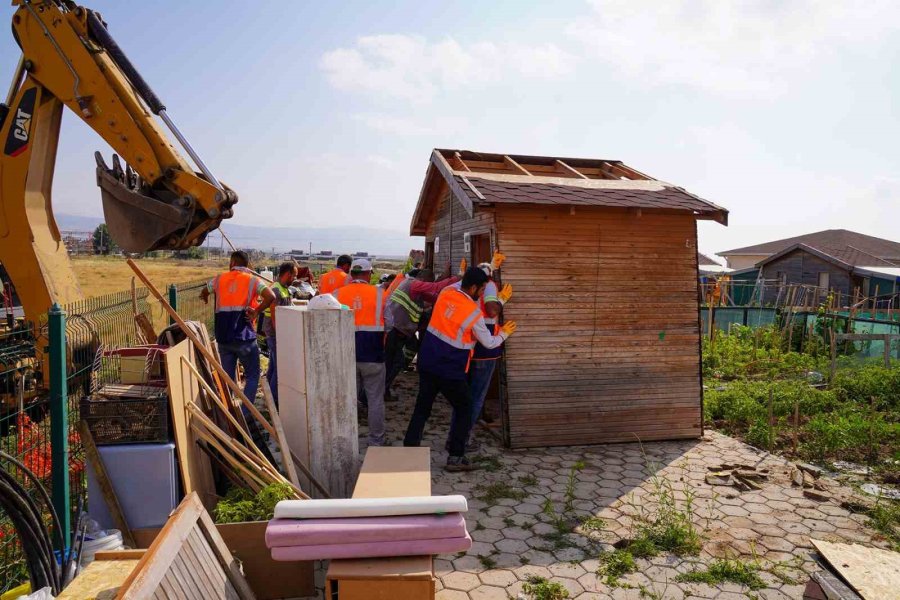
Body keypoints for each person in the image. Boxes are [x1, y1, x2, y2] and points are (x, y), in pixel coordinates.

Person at [403, 267, 516, 472]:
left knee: (422, 407)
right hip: (451, 369)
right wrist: (504, 334)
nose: (482, 294)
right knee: (465, 408)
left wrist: (486, 267)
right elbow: (489, 343)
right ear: (473, 287)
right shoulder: (473, 313)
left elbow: (460, 282)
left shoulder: (447, 293)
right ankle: (456, 457)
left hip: (428, 362)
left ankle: (409, 449)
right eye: (481, 290)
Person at [447, 262, 513, 452]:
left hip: (469, 349)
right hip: (486, 349)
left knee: (464, 400)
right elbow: (492, 310)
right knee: (475, 399)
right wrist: (501, 300)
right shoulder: (490, 284)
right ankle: (461, 441)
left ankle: (454, 438)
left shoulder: (466, 287)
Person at [200, 251, 275, 405]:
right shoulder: (253, 281)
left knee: (227, 379)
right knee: (253, 376)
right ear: (246, 265)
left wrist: (206, 297)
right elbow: (271, 296)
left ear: (233, 263)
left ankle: (230, 413)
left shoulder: (219, 279)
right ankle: (246, 413)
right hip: (245, 337)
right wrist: (256, 312)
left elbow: (205, 290)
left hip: (223, 338)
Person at [383, 265, 459, 394]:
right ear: (422, 279)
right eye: (427, 283)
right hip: (395, 330)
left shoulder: (414, 288)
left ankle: (380, 390)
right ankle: (378, 391)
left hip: (399, 330)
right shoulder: (413, 284)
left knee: (394, 361)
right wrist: (459, 277)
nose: (427, 286)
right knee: (394, 362)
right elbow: (435, 287)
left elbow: (435, 296)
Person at [335, 259, 387, 447]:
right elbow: (390, 323)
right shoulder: (381, 294)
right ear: (368, 274)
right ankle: (376, 441)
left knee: (348, 398)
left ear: (352, 274)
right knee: (375, 399)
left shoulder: (337, 294)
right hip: (373, 354)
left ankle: (346, 439)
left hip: (346, 355)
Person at [262, 261, 298, 406]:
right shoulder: (276, 290)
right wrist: (281, 335)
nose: (295, 278)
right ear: (288, 274)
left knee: (273, 365)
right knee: (279, 367)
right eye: (294, 275)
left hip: (278, 333)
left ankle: (268, 397)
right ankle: (274, 401)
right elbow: (275, 315)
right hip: (275, 333)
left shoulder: (284, 289)